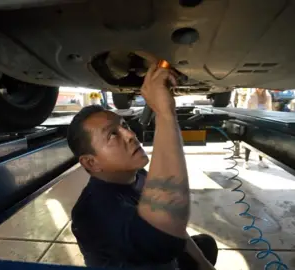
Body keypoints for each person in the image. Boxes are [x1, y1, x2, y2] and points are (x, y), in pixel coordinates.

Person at [67, 64, 218, 270]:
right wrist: (165, 114)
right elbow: (163, 240)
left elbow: (177, 231)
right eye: (113, 134)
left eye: (125, 126)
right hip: (156, 253)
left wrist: (205, 265)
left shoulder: (137, 176)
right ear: (91, 162)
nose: (130, 135)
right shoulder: (92, 212)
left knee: (204, 246)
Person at [243, 88, 273, 169]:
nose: (260, 89)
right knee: (249, 142)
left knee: (261, 142)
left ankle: (260, 161)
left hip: (263, 121)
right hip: (252, 121)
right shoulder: (251, 95)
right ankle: (246, 161)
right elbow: (246, 108)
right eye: (258, 87)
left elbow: (270, 109)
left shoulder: (268, 96)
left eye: (261, 87)